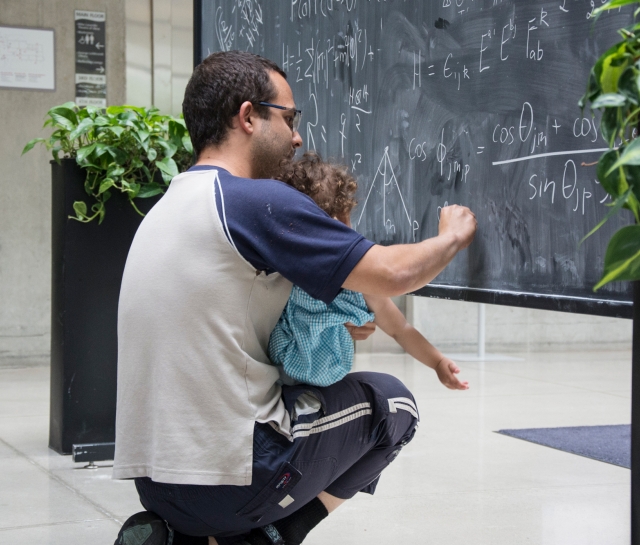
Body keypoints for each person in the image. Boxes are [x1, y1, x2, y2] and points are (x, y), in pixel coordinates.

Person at [113, 50, 477, 545]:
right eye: (289, 117)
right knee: (395, 404)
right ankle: (266, 537)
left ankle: (185, 537)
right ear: (247, 116)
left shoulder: (166, 207)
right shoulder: (256, 201)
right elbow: (395, 273)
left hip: (153, 485)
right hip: (229, 480)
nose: (298, 136)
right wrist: (452, 236)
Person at [269, 152, 469, 392]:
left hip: (317, 384)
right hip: (282, 381)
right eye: (345, 219)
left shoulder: (356, 279)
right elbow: (399, 328)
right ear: (338, 222)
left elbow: (400, 328)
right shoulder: (283, 270)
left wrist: (437, 361)